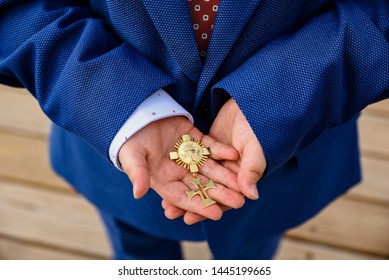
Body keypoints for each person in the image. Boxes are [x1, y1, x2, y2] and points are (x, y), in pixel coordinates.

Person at [0, 0, 388, 260]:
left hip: (287, 158)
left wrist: (278, 98)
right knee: (137, 252)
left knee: (252, 251)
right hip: (110, 144)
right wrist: (120, 106)